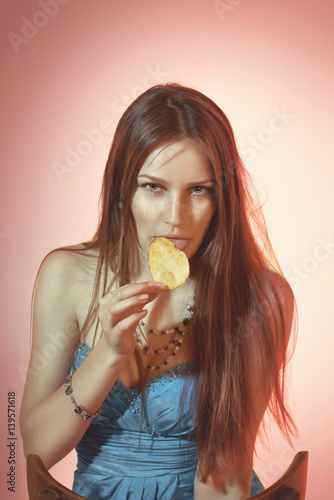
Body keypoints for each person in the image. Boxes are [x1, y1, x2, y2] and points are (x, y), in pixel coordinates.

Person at [20, 83, 297, 500]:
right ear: (121, 191)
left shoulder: (260, 298)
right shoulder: (67, 276)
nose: (175, 218)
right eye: (154, 187)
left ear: (223, 199)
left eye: (198, 190)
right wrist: (107, 355)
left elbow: (223, 475)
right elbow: (36, 448)